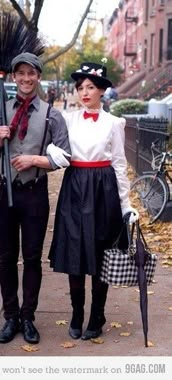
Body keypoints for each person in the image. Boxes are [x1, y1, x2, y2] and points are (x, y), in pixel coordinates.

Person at [0, 52, 71, 345]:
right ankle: (10, 317)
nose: (26, 79)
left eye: (32, 73)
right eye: (21, 73)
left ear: (38, 77)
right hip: (2, 188)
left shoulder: (51, 114)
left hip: (34, 193)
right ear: (14, 77)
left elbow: (65, 157)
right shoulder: (0, 111)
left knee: (32, 258)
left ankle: (28, 316)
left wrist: (35, 159)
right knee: (7, 258)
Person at [48, 61, 139, 341]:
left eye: (90, 87)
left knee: (101, 255)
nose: (84, 92)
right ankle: (76, 313)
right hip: (75, 187)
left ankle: (97, 316)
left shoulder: (114, 123)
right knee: (75, 253)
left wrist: (126, 206)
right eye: (80, 88)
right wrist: (51, 150)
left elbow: (120, 165)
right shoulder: (66, 119)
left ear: (101, 90)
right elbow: (54, 149)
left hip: (104, 191)